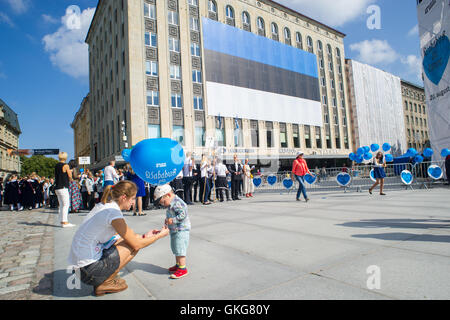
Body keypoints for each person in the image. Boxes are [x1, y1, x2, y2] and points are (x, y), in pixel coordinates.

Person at [68, 180, 169, 296]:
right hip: (88, 272)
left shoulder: (105, 205)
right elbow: (136, 244)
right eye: (132, 198)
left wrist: (146, 236)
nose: (133, 202)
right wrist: (160, 235)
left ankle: (105, 277)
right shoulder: (113, 213)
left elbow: (131, 236)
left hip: (80, 268)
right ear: (123, 197)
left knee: (131, 239)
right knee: (134, 246)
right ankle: (105, 282)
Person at [154, 184, 190, 279]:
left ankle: (183, 269)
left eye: (163, 202)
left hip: (181, 230)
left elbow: (183, 215)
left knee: (180, 248)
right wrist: (167, 220)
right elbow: (170, 214)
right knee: (175, 248)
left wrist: (172, 220)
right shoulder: (170, 203)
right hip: (175, 230)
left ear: (168, 195)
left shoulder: (178, 202)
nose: (163, 204)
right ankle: (178, 265)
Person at [55, 152, 75, 227]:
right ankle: (64, 222)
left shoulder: (57, 165)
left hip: (57, 187)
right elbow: (70, 176)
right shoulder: (65, 165)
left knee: (61, 205)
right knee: (66, 205)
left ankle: (61, 220)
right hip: (63, 187)